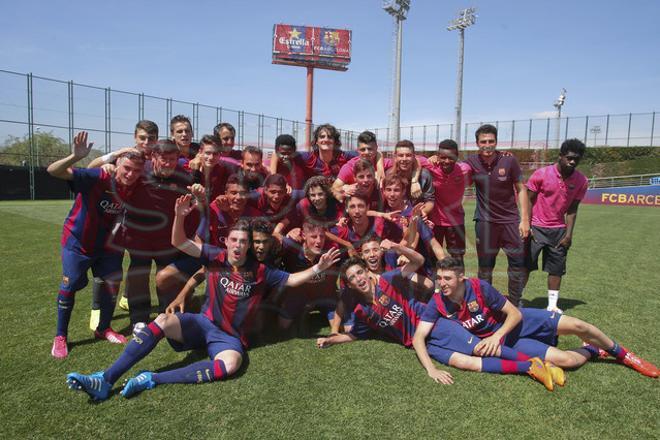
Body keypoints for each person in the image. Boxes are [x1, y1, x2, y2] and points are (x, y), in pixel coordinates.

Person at [65, 199, 342, 401]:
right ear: (227, 242)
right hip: (202, 324)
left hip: (230, 338)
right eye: (233, 240)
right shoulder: (215, 256)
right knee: (162, 319)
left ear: (248, 246)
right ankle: (105, 378)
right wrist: (178, 214)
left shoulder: (261, 271)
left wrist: (319, 267)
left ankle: (151, 378)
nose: (237, 245)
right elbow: (180, 242)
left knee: (231, 365)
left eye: (243, 242)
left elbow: (292, 280)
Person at [317, 250, 557, 389]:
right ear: (348, 284)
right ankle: (532, 366)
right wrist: (332, 339)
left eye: (360, 272)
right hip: (423, 343)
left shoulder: (388, 280)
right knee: (467, 363)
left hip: (436, 327)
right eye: (352, 277)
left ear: (368, 272)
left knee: (480, 350)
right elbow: (356, 334)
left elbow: (417, 261)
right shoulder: (360, 311)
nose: (358, 278)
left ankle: (536, 365)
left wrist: (400, 246)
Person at [416, 257, 659, 384]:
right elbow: (419, 338)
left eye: (447, 278)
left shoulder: (480, 287)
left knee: (578, 326)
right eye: (439, 278)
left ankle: (624, 355)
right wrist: (430, 369)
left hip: (518, 324)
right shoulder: (437, 304)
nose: (442, 283)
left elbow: (515, 313)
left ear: (462, 277)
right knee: (566, 360)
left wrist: (496, 336)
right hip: (510, 344)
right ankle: (594, 351)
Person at [47, 132, 145, 358]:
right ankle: (60, 336)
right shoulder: (99, 177)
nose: (130, 174)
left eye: (136, 170)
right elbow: (53, 171)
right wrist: (75, 156)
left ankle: (103, 328)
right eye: (126, 168)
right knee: (70, 286)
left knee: (112, 284)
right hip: (78, 243)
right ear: (116, 164)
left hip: (109, 246)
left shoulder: (137, 186)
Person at [117, 139, 198, 328]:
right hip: (138, 237)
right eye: (164, 159)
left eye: (172, 159)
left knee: (166, 277)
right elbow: (116, 177)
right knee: (138, 275)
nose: (168, 163)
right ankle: (139, 320)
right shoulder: (138, 171)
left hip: (166, 239)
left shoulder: (183, 177)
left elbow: (192, 205)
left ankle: (167, 315)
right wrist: (107, 162)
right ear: (154, 157)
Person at [466, 124, 530, 306]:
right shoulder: (471, 162)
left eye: (491, 141)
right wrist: (433, 159)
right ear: (477, 143)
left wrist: (524, 220)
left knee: (517, 265)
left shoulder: (509, 161)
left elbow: (521, 189)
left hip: (511, 221)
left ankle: (516, 304)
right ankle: (487, 304)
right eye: (483, 141)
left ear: (496, 142)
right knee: (485, 267)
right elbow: (454, 167)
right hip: (485, 222)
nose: (487, 145)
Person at [523, 139, 589, 313]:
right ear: (560, 156)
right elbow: (528, 199)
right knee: (524, 265)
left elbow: (573, 209)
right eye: (569, 158)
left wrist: (569, 235)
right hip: (536, 228)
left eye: (577, 159)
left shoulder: (581, 180)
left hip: (559, 231)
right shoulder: (542, 174)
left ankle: (552, 305)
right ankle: (517, 299)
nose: (573, 162)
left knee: (556, 268)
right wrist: (527, 225)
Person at [278, 222, 339, 331]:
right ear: (304, 236)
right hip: (298, 295)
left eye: (322, 236)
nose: (319, 241)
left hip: (324, 295)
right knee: (282, 326)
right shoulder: (291, 248)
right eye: (314, 237)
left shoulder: (330, 251)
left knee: (339, 327)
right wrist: (286, 234)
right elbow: (273, 239)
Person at [422, 139, 472, 264]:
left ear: (457, 156)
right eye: (443, 157)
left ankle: (458, 283)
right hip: (434, 221)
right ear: (438, 156)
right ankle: (432, 283)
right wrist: (429, 158)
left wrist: (500, 154)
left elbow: (482, 162)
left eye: (451, 158)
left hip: (456, 221)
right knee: (432, 257)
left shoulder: (465, 169)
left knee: (458, 258)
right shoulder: (431, 166)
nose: (447, 161)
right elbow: (410, 158)